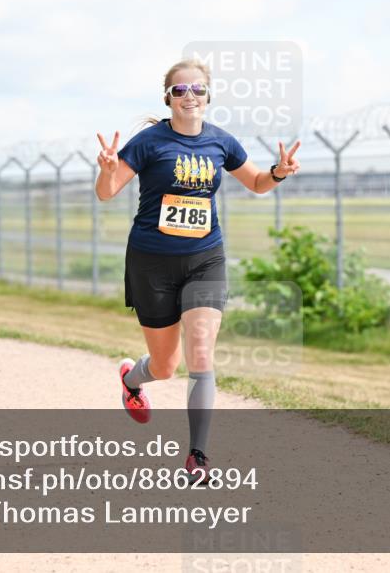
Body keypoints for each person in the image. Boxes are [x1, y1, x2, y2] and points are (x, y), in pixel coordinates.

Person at [94, 58, 301, 480]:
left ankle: (198, 456)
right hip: (151, 263)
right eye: (180, 90)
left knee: (202, 351)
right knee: (165, 366)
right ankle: (132, 380)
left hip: (205, 258)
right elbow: (107, 193)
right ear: (168, 98)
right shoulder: (149, 142)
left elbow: (257, 183)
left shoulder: (221, 142)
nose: (190, 96)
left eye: (198, 89)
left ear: (208, 96)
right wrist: (107, 171)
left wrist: (278, 173)